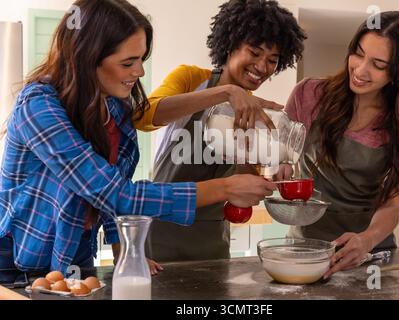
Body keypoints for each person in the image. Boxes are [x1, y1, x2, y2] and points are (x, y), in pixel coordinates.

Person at [0, 0, 276, 275]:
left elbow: (108, 191)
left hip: (75, 250)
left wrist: (124, 252)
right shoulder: (38, 106)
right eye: (128, 62)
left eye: (141, 60)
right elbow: (115, 193)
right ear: (86, 56)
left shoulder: (114, 108)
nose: (140, 72)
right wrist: (225, 188)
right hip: (18, 259)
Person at [134, 0, 307, 262]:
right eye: (254, 52)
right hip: (159, 234)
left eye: (272, 60)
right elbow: (144, 115)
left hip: (211, 242)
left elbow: (239, 186)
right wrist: (227, 93)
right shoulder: (191, 78)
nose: (262, 67)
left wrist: (269, 169)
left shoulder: (257, 115)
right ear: (230, 45)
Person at [281, 11, 399, 278]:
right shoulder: (309, 94)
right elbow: (283, 154)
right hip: (304, 247)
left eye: (378, 65)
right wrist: (281, 167)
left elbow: (394, 204)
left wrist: (366, 240)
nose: (360, 70)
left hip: (369, 252)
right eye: (358, 53)